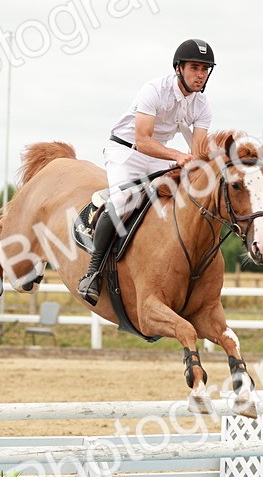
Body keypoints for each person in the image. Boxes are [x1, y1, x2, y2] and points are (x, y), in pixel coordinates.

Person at [77, 38, 216, 304]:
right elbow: (142, 140)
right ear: (179, 68)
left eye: (205, 69)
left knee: (182, 196)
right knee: (122, 201)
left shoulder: (202, 105)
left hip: (158, 156)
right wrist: (177, 157)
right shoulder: (154, 90)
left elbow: (198, 151)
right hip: (126, 151)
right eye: (194, 68)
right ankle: (92, 272)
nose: (200, 75)